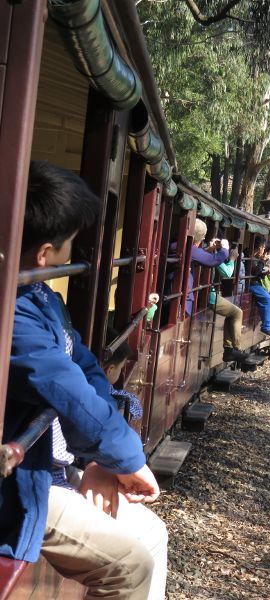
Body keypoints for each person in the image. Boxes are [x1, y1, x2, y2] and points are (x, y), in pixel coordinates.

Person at [3, 161, 165, 599]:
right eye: (70, 244)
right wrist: (127, 461)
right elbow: (67, 390)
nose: (73, 255)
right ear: (44, 253)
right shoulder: (12, 317)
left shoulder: (38, 298)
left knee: (152, 535)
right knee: (131, 567)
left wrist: (105, 461)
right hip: (20, 482)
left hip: (46, 464)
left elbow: (85, 367)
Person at [188, 220, 252, 363]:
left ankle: (230, 349)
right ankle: (233, 349)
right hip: (207, 293)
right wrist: (232, 259)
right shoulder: (210, 253)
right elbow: (227, 273)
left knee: (234, 312)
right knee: (237, 312)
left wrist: (211, 249)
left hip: (203, 290)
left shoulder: (202, 250)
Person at [249, 237, 270, 337]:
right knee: (269, 300)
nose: (264, 250)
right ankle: (266, 327)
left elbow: (258, 272)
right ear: (260, 247)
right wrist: (263, 261)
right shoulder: (250, 256)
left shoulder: (255, 257)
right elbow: (255, 272)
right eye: (263, 248)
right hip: (250, 284)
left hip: (256, 283)